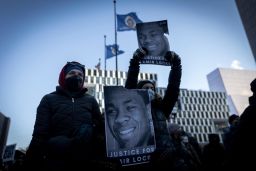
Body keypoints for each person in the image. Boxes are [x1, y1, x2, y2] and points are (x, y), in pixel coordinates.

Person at [25, 61, 105, 171]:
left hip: (86, 162)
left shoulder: (91, 100)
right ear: (63, 76)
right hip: (55, 162)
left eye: (80, 74)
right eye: (72, 73)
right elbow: (39, 136)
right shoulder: (48, 99)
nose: (76, 76)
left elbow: (100, 130)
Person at [125, 47, 182, 169]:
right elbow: (131, 82)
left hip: (165, 155)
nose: (150, 90)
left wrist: (176, 64)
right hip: (142, 156)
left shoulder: (162, 108)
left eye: (152, 88)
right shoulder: (133, 108)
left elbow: (173, 87)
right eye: (146, 88)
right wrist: (135, 60)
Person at [225, 78, 256, 170]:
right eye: (236, 120)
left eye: (238, 119)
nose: (237, 121)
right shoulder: (249, 112)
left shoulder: (249, 112)